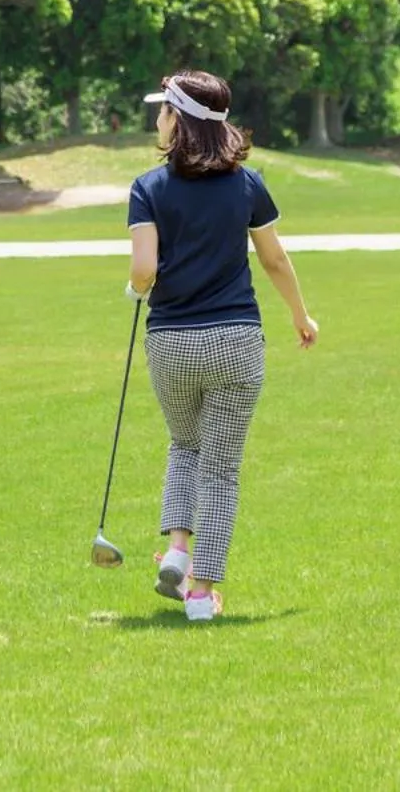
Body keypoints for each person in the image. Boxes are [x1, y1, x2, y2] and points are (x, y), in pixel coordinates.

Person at [126, 70, 318, 622]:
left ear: (178, 119)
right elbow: (274, 259)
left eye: (163, 110)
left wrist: (136, 289)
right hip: (236, 340)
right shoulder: (247, 183)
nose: (157, 119)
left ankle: (178, 550)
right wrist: (300, 315)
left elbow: (144, 269)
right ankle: (201, 594)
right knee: (221, 470)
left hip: (171, 342)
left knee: (184, 446)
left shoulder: (147, 187)